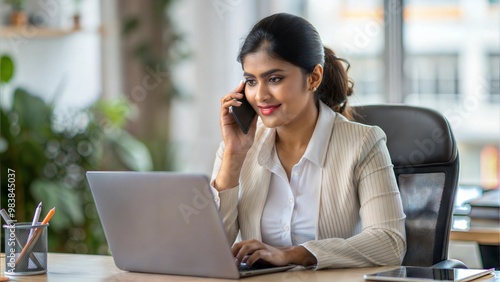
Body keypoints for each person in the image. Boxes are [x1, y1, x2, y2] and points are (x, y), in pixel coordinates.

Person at [211, 13, 406, 270]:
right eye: (250, 81)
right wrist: (233, 159)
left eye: (274, 79)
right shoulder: (236, 147)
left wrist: (294, 254)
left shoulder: (363, 143)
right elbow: (211, 251)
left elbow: (389, 243)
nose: (260, 95)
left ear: (313, 78)